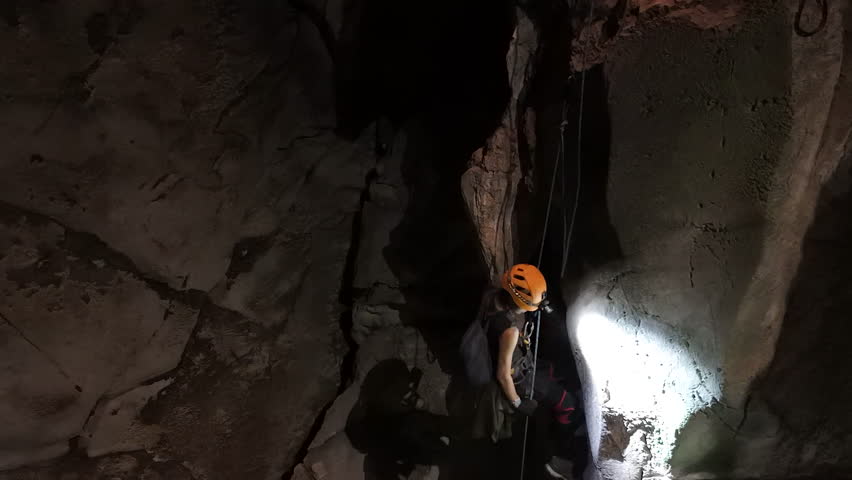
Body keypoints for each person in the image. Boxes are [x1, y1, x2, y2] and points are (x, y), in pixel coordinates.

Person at [486, 263, 580, 480]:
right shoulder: (509, 330)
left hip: (525, 360)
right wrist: (518, 403)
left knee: (559, 371)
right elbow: (503, 373)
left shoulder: (492, 296)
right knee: (568, 405)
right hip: (521, 376)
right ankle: (561, 458)